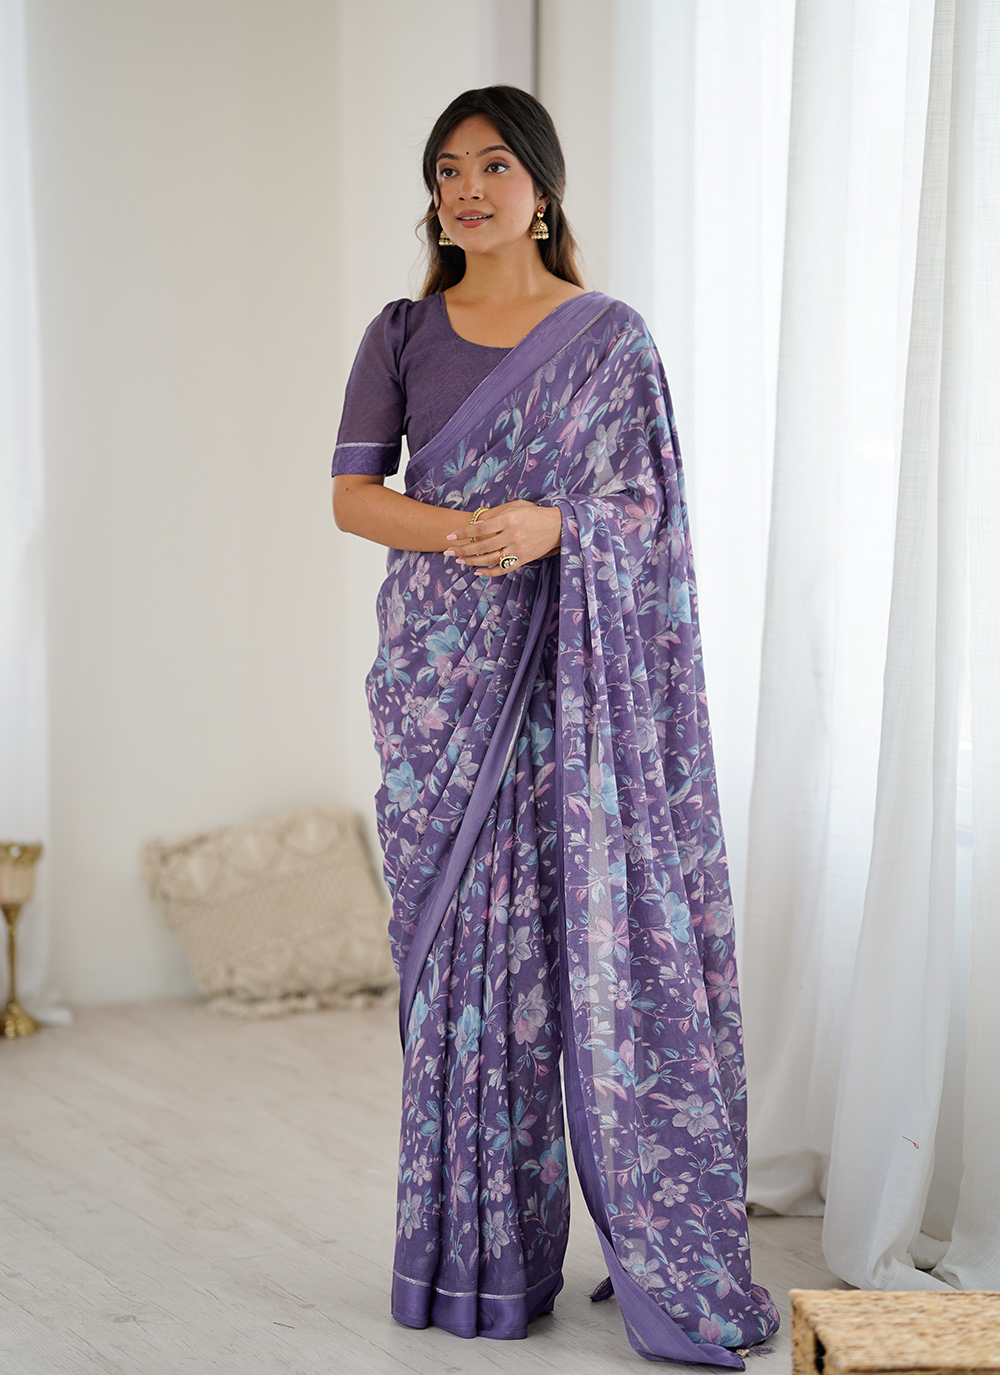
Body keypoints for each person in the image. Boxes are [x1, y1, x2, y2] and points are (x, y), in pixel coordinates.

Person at [331, 85, 779, 1367]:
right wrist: (470, 533)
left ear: (541, 187)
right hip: (440, 684)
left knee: (567, 957)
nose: (465, 190)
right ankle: (478, 1262)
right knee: (461, 971)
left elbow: (646, 515)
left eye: (491, 166)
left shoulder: (608, 338)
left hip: (573, 696)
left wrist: (554, 528)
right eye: (446, 171)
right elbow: (354, 496)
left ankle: (654, 1237)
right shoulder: (402, 331)